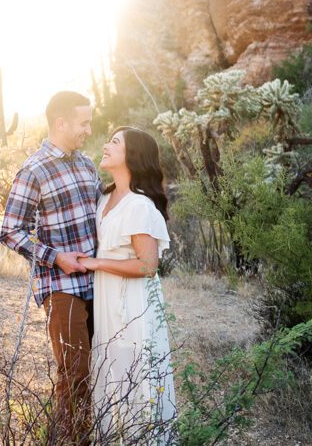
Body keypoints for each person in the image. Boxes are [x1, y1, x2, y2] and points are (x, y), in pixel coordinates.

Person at [0, 91, 101, 444]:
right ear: (61, 123)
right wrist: (56, 257)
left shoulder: (87, 164)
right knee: (75, 371)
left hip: (99, 284)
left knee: (99, 370)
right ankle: (70, 440)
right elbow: (10, 231)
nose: (89, 129)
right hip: (61, 287)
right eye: (84, 122)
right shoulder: (34, 170)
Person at [81, 126, 175, 444]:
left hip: (133, 302)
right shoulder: (105, 198)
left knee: (134, 374)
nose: (106, 145)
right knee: (110, 374)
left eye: (115, 142)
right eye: (108, 139)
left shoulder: (140, 205)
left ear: (132, 155)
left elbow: (148, 265)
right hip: (106, 299)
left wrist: (96, 263)